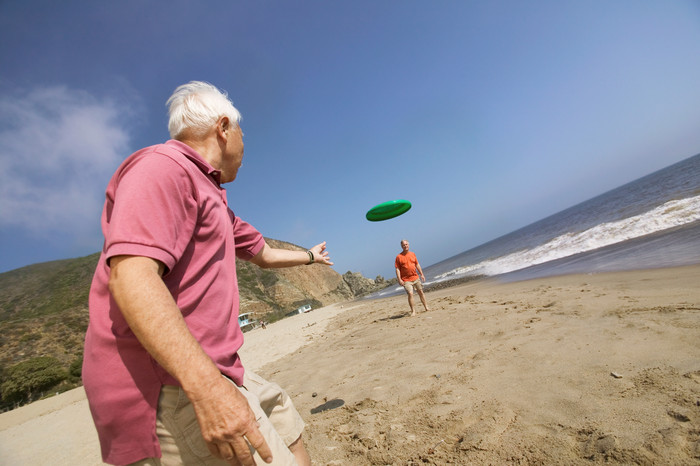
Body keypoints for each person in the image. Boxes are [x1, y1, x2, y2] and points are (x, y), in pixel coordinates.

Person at [82, 81, 333, 466]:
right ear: (223, 129)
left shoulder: (210, 192)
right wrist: (207, 391)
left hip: (218, 366)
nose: (245, 147)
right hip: (168, 382)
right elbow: (132, 277)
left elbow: (262, 253)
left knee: (283, 416)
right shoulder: (163, 168)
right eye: (243, 134)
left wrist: (310, 259)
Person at [395, 239, 431, 316]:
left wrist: (422, 274)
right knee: (410, 294)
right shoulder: (398, 257)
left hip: (415, 277)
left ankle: (426, 307)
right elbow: (397, 269)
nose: (405, 246)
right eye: (403, 245)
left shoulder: (412, 254)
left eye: (406, 244)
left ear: (408, 245)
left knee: (421, 292)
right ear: (401, 246)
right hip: (406, 279)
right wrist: (399, 279)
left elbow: (417, 264)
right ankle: (413, 311)